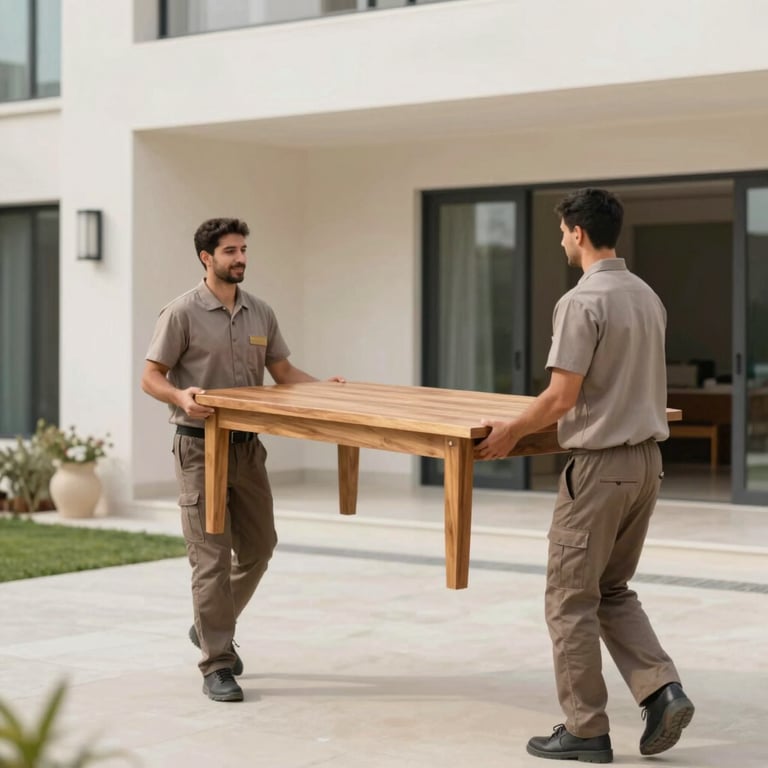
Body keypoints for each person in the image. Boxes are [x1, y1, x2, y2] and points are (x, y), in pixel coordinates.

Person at [474, 188, 694, 762]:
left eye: (562, 233)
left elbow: (560, 396)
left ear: (576, 231)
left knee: (569, 598)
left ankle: (585, 729)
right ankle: (662, 691)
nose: (562, 242)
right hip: (646, 463)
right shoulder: (647, 296)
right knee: (611, 589)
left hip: (599, 470)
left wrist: (511, 430)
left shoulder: (581, 301)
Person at [141, 217, 344, 703]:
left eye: (244, 249)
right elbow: (151, 376)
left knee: (259, 547)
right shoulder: (181, 312)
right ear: (206, 257)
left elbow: (282, 371)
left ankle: (209, 623)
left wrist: (324, 389)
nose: (240, 258)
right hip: (199, 447)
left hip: (248, 448)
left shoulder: (260, 312)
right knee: (210, 557)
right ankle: (216, 662)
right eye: (230, 251)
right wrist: (180, 396)